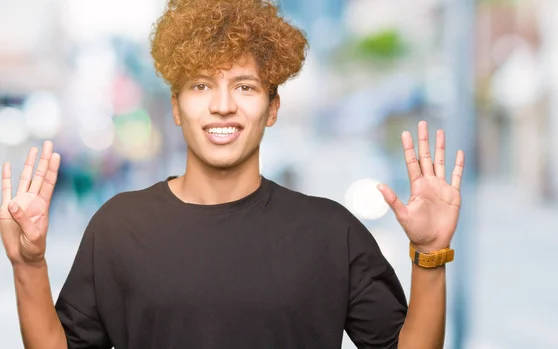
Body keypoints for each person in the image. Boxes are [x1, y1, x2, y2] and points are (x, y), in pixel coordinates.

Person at [0, 0, 464, 348]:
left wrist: (430, 254)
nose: (223, 104)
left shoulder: (332, 231)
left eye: (244, 86)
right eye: (201, 85)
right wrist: (28, 266)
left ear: (272, 108)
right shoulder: (118, 227)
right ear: (177, 108)